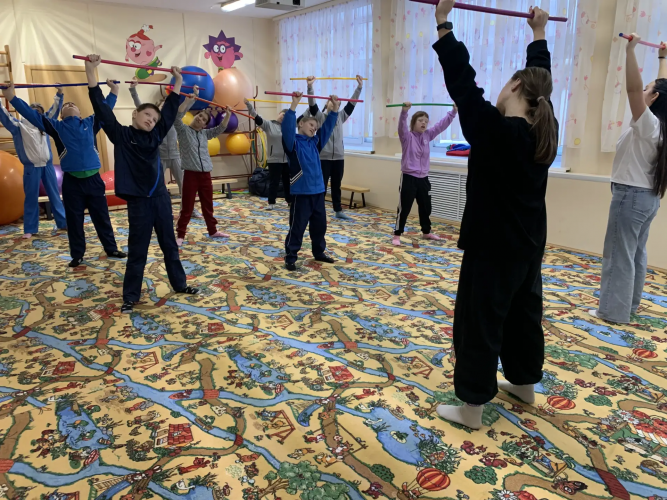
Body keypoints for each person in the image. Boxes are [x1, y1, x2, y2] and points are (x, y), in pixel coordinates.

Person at [431, 0, 559, 429]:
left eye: (508, 82)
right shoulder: (543, 131)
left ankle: (471, 407)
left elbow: (463, 84)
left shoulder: (495, 131)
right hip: (528, 248)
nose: (500, 89)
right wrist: (538, 34)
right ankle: (523, 384)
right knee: (524, 315)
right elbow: (540, 78)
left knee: (479, 322)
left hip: (491, 249)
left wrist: (444, 23)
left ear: (516, 85)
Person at [84, 54, 198, 314]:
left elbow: (170, 110)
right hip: (139, 202)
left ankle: (180, 284)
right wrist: (91, 72)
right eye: (147, 115)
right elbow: (101, 108)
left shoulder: (156, 135)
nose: (151, 120)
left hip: (160, 198)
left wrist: (178, 81)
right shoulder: (121, 134)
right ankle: (130, 296)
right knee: (138, 250)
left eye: (154, 119)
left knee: (169, 245)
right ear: (135, 114)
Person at [588, 35, 667, 324]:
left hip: (631, 197)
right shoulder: (661, 127)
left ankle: (612, 312)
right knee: (634, 253)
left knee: (618, 255)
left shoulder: (649, 125)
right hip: (647, 199)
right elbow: (661, 89)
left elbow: (634, 88)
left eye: (648, 90)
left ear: (654, 98)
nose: (642, 91)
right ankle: (628, 305)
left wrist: (630, 50)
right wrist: (662, 59)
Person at [4, 82, 126, 267]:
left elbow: (105, 108)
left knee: (102, 217)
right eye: (66, 105)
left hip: (94, 180)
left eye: (73, 104)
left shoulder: (91, 122)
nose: (69, 104)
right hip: (72, 183)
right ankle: (77, 255)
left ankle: (111, 248)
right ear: (61, 115)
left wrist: (114, 91)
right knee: (74, 220)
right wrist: (11, 97)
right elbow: (31, 114)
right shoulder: (56, 127)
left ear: (80, 113)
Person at [282, 92, 340, 271]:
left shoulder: (315, 143)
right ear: (301, 123)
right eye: (311, 125)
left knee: (320, 226)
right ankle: (291, 257)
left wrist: (334, 110)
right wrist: (293, 106)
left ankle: (319, 252)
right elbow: (287, 128)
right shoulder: (292, 143)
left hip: (318, 192)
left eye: (316, 126)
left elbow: (327, 128)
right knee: (297, 227)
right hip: (301, 193)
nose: (314, 128)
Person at [128, 78, 203, 217]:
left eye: (166, 106)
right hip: (160, 158)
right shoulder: (155, 123)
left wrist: (194, 96)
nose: (164, 108)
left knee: (185, 185)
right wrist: (133, 90)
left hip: (175, 157)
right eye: (162, 106)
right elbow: (140, 107)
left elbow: (184, 107)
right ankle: (154, 211)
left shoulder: (173, 119)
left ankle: (189, 210)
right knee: (155, 186)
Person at [0, 87, 67, 238]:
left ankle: (63, 223)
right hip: (31, 168)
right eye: (34, 112)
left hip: (47, 166)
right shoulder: (19, 126)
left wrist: (59, 94)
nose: (37, 114)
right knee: (31, 197)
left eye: (39, 112)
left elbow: (54, 111)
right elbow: (4, 116)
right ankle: (30, 229)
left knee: (55, 196)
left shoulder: (44, 124)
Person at [173, 86, 231, 245]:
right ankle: (180, 235)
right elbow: (177, 117)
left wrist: (228, 115)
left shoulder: (205, 134)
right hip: (190, 174)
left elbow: (220, 128)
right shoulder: (183, 131)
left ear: (205, 125)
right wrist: (188, 101)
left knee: (208, 205)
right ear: (195, 116)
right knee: (187, 206)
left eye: (204, 119)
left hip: (205, 174)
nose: (200, 119)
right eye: (199, 116)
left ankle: (213, 231)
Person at [393, 102, 457, 245]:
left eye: (426, 121)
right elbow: (401, 126)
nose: (424, 123)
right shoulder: (407, 137)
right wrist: (404, 112)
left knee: (426, 207)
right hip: (409, 177)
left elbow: (441, 125)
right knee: (404, 207)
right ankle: (397, 234)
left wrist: (453, 112)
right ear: (414, 122)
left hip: (423, 178)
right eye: (420, 120)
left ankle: (426, 232)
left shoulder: (428, 135)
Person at [303, 75, 363, 220]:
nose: (334, 103)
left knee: (336, 185)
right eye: (331, 101)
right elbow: (312, 104)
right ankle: (318, 209)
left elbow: (352, 104)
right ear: (327, 103)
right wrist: (310, 87)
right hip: (323, 158)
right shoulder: (320, 117)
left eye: (337, 102)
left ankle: (338, 210)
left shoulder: (341, 116)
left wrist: (359, 87)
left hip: (338, 158)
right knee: (321, 185)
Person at [244, 99, 292, 210]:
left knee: (287, 182)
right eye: (283, 115)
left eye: (286, 117)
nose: (283, 117)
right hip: (274, 160)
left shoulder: (288, 128)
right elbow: (256, 117)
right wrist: (249, 105)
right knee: (274, 182)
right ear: (279, 114)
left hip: (286, 159)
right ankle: (271, 202)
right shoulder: (269, 124)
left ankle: (290, 201)